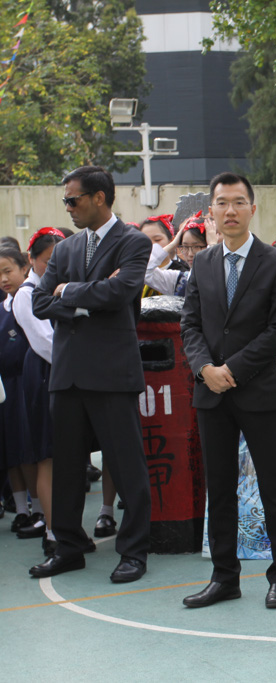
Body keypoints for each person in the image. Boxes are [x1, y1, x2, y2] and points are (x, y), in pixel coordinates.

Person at [180, 172, 276, 609]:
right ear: (211, 210)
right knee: (220, 487)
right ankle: (224, 577)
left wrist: (231, 369)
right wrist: (204, 369)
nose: (230, 211)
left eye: (238, 202)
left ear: (252, 208)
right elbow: (190, 324)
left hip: (257, 391)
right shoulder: (203, 263)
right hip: (211, 394)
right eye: (221, 203)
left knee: (273, 485)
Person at [29, 166, 151, 584]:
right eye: (66, 200)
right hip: (67, 374)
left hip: (112, 373)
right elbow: (39, 302)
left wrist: (68, 291)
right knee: (67, 468)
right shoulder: (65, 248)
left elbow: (121, 291)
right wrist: (86, 300)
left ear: (99, 197)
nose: (68, 207)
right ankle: (69, 546)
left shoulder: (133, 241)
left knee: (126, 465)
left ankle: (133, 551)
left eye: (73, 199)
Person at [14, 229, 64, 556]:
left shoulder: (57, 287)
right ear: (31, 260)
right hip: (47, 372)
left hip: (64, 370)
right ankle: (52, 531)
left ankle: (66, 528)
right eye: (47, 260)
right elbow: (46, 343)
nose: (53, 267)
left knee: (64, 454)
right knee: (48, 456)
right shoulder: (26, 294)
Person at [0, 247, 34, 539]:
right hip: (6, 388)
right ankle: (21, 508)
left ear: (25, 268)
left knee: (30, 450)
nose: (3, 279)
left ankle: (40, 510)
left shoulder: (33, 300)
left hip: (29, 383)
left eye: (7, 270)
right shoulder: (1, 309)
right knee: (12, 449)